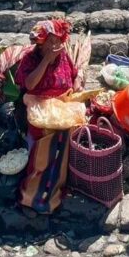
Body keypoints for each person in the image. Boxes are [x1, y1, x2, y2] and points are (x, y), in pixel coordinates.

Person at [16, 18, 77, 213]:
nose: (55, 45)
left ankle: (58, 188)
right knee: (42, 154)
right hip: (39, 113)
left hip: (61, 111)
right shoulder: (30, 59)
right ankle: (34, 194)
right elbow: (30, 85)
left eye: (58, 40)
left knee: (68, 143)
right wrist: (46, 61)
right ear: (40, 43)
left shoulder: (64, 56)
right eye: (50, 41)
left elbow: (73, 78)